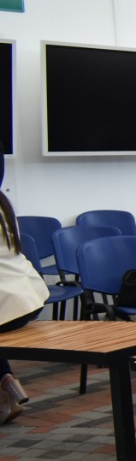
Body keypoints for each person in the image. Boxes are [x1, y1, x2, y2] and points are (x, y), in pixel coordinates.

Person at [0, 163, 50, 424]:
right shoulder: (3, 202)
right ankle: (7, 382)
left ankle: (5, 381)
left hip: (7, 305)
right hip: (29, 297)